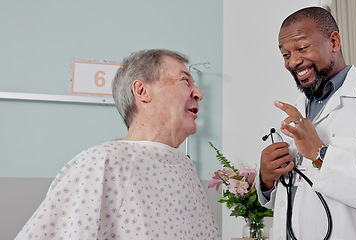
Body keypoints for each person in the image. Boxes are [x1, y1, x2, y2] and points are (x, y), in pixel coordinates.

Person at [15, 49, 221, 240]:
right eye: (184, 80)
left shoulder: (186, 169)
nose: (198, 94)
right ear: (142, 91)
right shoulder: (102, 162)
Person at [256, 7, 356, 240]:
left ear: (333, 42)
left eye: (302, 48)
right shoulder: (297, 108)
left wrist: (320, 154)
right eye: (285, 54)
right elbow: (294, 201)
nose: (293, 61)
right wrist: (267, 179)